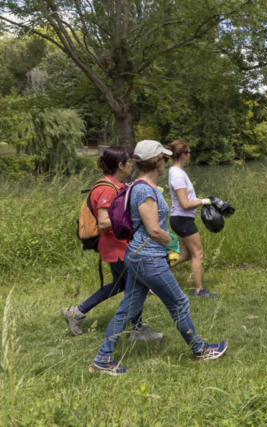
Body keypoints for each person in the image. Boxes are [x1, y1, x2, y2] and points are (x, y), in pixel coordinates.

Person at [90, 140, 228, 376]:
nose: (165, 161)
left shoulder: (139, 186)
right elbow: (153, 230)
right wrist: (172, 243)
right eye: (163, 158)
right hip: (148, 257)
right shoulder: (144, 190)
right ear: (156, 161)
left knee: (128, 308)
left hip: (139, 254)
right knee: (180, 303)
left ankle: (103, 359)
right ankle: (200, 349)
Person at [62, 146, 163, 342]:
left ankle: (76, 312)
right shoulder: (106, 189)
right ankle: (137, 330)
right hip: (117, 248)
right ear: (120, 165)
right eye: (129, 161)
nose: (132, 164)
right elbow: (103, 222)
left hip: (116, 246)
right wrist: (136, 218)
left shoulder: (115, 184)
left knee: (121, 285)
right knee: (138, 286)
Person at [166, 140, 216, 298]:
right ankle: (198, 290)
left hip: (181, 218)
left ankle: (154, 275)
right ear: (182, 155)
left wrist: (202, 200)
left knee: (185, 255)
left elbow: (188, 199)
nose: (190, 155)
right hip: (182, 219)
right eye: (189, 152)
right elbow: (185, 204)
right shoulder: (177, 174)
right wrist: (204, 201)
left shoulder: (177, 172)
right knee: (198, 253)